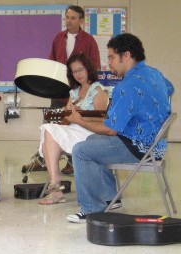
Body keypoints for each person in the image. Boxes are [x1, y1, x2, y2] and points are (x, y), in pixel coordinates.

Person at [66, 33, 173, 223]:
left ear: (127, 56)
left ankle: (92, 208)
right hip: (157, 144)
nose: (109, 63)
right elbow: (169, 88)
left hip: (141, 148)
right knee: (91, 141)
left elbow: (111, 130)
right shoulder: (153, 73)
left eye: (111, 57)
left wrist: (79, 120)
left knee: (81, 150)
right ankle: (109, 197)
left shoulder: (127, 86)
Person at [23, 5, 101, 175]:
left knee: (74, 122)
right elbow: (52, 61)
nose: (68, 20)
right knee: (54, 121)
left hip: (79, 91)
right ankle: (46, 159)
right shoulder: (58, 38)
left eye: (73, 18)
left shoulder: (89, 40)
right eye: (67, 17)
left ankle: (73, 162)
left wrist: (86, 87)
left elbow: (95, 65)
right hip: (59, 90)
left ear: (81, 20)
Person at [38, 53, 108, 205]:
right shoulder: (74, 92)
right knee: (48, 128)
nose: (78, 74)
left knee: (48, 132)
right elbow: (66, 121)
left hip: (90, 132)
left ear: (88, 69)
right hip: (74, 129)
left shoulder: (99, 90)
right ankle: (55, 182)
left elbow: (101, 118)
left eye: (80, 70)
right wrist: (66, 114)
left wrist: (78, 116)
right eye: (74, 71)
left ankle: (56, 187)